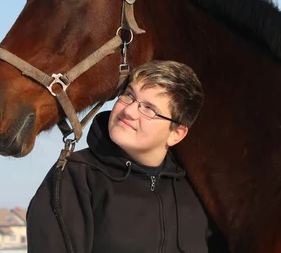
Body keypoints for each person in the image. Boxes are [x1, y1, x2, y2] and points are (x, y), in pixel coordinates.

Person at [26, 60, 225, 252]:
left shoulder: (196, 191)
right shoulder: (76, 177)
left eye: (149, 109)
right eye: (129, 95)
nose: (129, 110)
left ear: (176, 134)